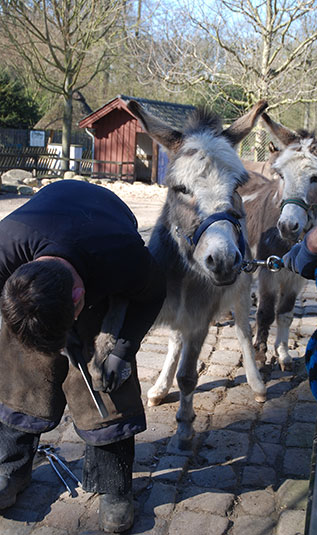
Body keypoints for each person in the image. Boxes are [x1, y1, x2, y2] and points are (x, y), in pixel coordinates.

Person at [0, 179, 166, 533]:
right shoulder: (5, 244)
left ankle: (114, 485)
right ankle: (10, 466)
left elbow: (153, 295)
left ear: (78, 297)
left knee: (101, 369)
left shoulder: (124, 257)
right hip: (49, 230)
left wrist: (124, 348)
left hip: (101, 230)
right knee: (19, 355)